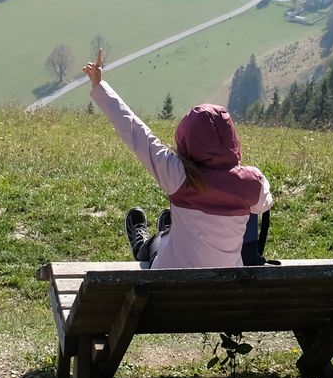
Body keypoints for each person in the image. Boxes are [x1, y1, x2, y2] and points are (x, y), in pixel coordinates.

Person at [81, 49, 271, 268]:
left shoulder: (178, 175)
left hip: (169, 282)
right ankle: (168, 229)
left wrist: (99, 86)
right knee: (169, 237)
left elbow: (135, 131)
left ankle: (143, 243)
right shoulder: (252, 184)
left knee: (156, 246)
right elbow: (265, 203)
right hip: (223, 291)